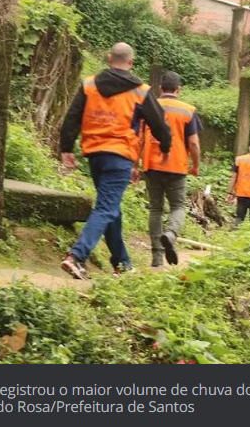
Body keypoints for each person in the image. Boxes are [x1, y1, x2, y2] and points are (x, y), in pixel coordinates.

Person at [59, 42, 171, 280]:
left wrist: (66, 147)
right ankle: (76, 256)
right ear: (130, 62)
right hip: (119, 156)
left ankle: (122, 262)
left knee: (111, 208)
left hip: (94, 155)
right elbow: (160, 124)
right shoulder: (140, 90)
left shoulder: (89, 85)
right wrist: (165, 147)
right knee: (106, 208)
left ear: (110, 58)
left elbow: (72, 116)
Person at [140, 71, 202, 268]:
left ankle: (157, 257)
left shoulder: (149, 106)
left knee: (155, 209)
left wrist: (135, 164)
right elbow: (193, 143)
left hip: (152, 166)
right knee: (177, 207)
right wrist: (196, 165)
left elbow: (139, 139)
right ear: (178, 90)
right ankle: (171, 233)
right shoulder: (187, 111)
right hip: (177, 166)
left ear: (160, 89)